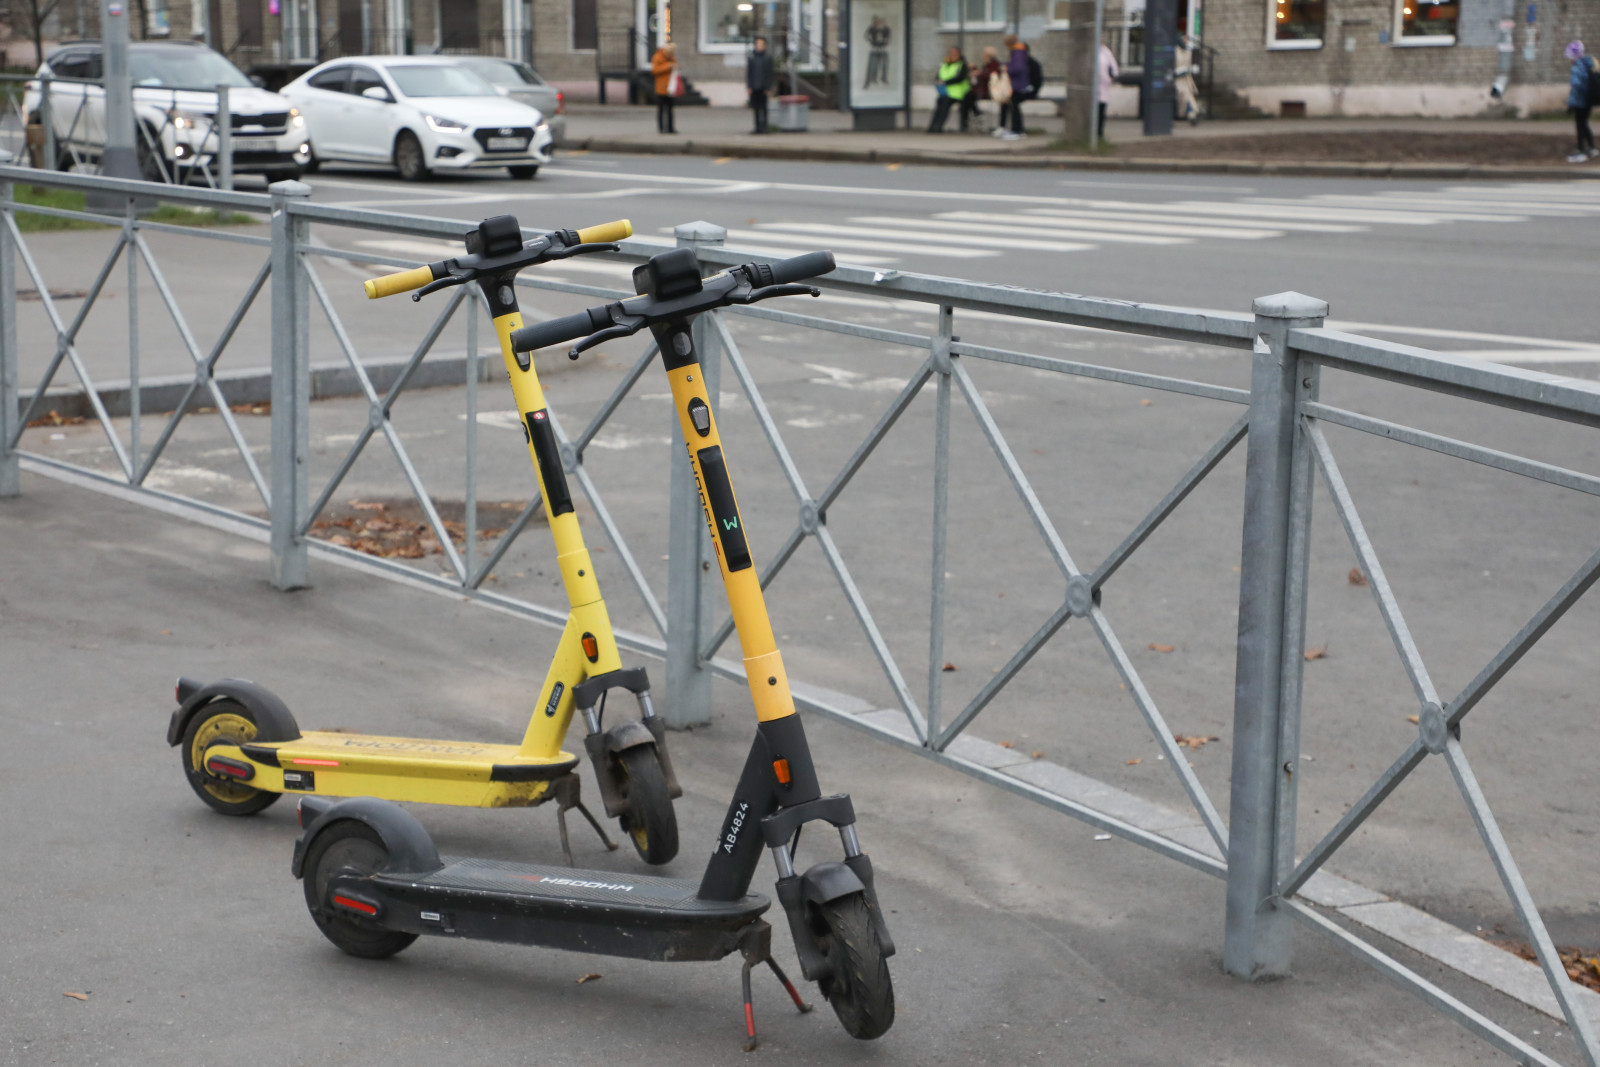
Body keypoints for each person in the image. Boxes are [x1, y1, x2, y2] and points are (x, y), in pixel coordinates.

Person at [927, 46, 972, 133]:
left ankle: (939, 126)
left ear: (959, 55)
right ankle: (932, 127)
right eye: (950, 53)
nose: (952, 55)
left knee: (944, 105)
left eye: (954, 54)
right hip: (944, 91)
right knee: (939, 103)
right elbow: (938, 76)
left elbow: (960, 78)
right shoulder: (944, 65)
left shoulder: (961, 65)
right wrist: (939, 81)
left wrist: (945, 82)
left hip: (957, 93)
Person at [1567, 40, 1596, 163]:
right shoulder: (1587, 64)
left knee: (1580, 125)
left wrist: (1571, 103)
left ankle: (1580, 150)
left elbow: (1577, 85)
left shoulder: (1577, 67)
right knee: (1585, 123)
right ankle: (1592, 148)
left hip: (1580, 102)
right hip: (1588, 100)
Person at [1000, 34, 1030, 139]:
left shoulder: (1017, 52)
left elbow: (1018, 68)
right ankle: (1017, 129)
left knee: (1014, 107)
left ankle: (1017, 130)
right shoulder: (1019, 51)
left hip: (1017, 84)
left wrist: (1007, 68)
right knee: (1014, 107)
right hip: (1018, 83)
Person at [747, 36, 775, 134]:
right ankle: (757, 127)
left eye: (761, 44)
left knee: (764, 108)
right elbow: (749, 73)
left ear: (765, 46)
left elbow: (770, 73)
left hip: (763, 87)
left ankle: (765, 127)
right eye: (757, 44)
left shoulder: (767, 58)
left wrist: (768, 86)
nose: (759, 46)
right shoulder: (752, 57)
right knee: (756, 108)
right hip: (754, 86)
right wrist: (749, 86)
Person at [972, 45, 1002, 133]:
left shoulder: (995, 65)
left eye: (984, 54)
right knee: (967, 97)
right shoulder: (987, 65)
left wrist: (979, 74)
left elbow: (992, 77)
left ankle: (977, 114)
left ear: (988, 55)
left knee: (969, 97)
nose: (982, 56)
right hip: (982, 89)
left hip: (989, 91)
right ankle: (976, 115)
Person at [652, 43, 679, 134]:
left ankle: (671, 128)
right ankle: (661, 128)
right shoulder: (657, 57)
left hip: (670, 88)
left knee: (670, 109)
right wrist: (667, 66)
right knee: (661, 109)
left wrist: (674, 66)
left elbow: (675, 67)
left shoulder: (672, 58)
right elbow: (655, 70)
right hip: (661, 88)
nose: (671, 55)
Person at [1174, 35, 1198, 125]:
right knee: (1185, 95)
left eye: (1186, 39)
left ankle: (1191, 114)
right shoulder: (1175, 50)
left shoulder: (1188, 51)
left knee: (1188, 95)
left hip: (1186, 79)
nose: (1185, 41)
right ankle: (1191, 113)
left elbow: (1189, 64)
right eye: (1183, 39)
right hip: (1177, 79)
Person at [1097, 41, 1118, 140]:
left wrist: (1111, 77)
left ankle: (1099, 134)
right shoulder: (1091, 50)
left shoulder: (1105, 51)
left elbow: (1113, 68)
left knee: (1100, 111)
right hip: (1090, 89)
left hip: (1103, 87)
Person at [864, 16, 891, 88]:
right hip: (875, 48)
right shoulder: (872, 28)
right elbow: (866, 36)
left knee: (884, 65)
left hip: (883, 49)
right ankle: (871, 79)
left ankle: (883, 78)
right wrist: (872, 41)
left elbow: (889, 38)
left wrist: (886, 42)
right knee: (872, 65)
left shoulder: (887, 29)